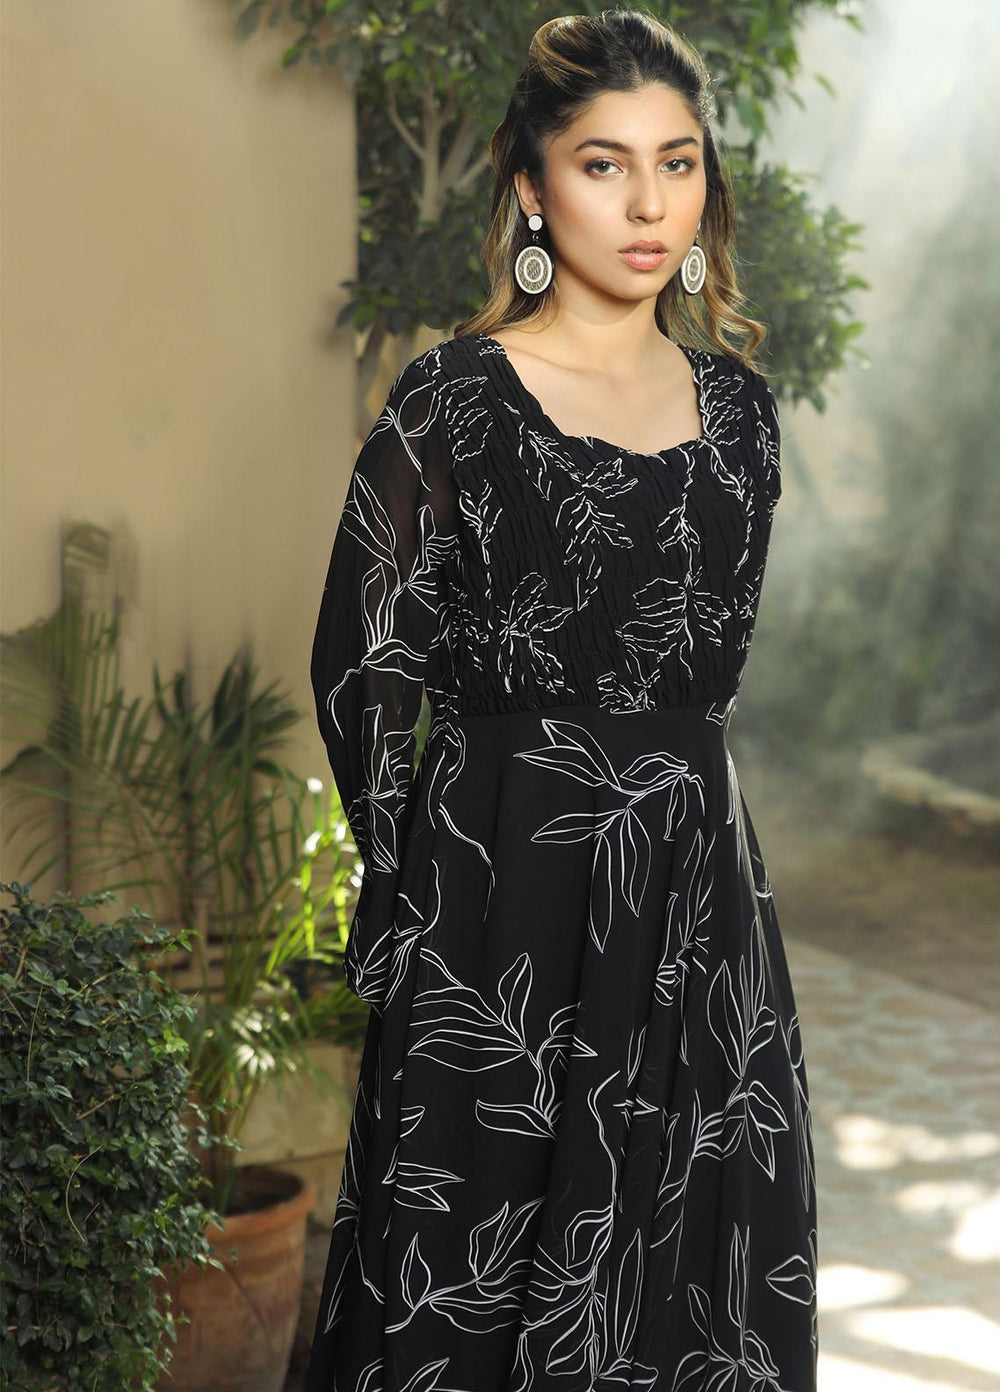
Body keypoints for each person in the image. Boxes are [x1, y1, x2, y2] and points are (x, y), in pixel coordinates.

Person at [305, 9, 818, 1391]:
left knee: (691, 1292)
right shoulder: (453, 404)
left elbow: (698, 680)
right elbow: (361, 666)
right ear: (531, 184)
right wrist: (426, 891)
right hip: (499, 913)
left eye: (677, 162)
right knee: (467, 1295)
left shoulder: (743, 418)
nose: (650, 204)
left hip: (698, 919)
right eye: (605, 164)